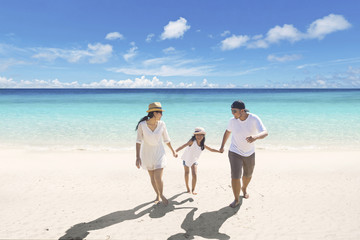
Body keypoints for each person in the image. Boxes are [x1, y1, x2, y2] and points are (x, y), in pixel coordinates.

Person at [219, 100, 268, 208]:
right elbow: (227, 132)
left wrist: (255, 137)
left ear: (242, 110)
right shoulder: (232, 121)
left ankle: (244, 188)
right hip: (234, 152)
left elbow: (265, 132)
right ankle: (236, 199)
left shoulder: (254, 118)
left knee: (248, 175)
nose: (233, 113)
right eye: (231, 111)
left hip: (249, 153)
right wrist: (222, 146)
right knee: (235, 177)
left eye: (234, 111)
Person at [135, 102, 178, 206]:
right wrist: (137, 157)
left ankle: (162, 195)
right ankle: (157, 195)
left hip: (159, 153)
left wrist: (173, 151)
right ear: (154, 113)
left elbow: (166, 140)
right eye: (160, 113)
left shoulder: (162, 124)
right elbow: (138, 141)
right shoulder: (142, 125)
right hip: (147, 154)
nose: (161, 115)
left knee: (157, 177)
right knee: (152, 178)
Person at [176, 127, 220, 195]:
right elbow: (183, 146)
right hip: (186, 158)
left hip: (194, 160)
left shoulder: (202, 144)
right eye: (197, 135)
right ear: (195, 136)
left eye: (200, 135)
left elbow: (211, 149)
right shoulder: (192, 141)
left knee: (194, 174)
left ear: (203, 136)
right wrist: (175, 151)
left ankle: (193, 190)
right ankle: (188, 188)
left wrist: (219, 151)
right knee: (187, 173)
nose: (199, 136)